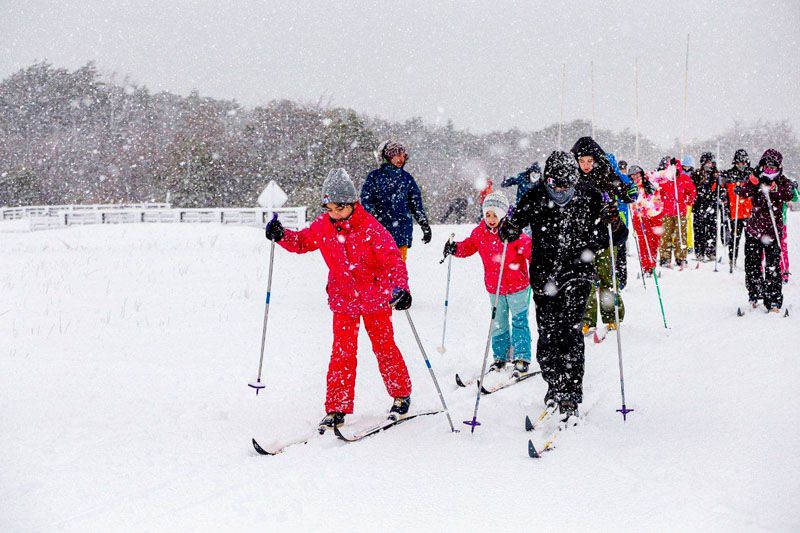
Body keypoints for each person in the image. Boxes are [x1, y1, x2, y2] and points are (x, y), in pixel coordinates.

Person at [265, 168, 414, 432]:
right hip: (343, 300)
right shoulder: (324, 226)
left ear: (350, 204)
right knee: (342, 354)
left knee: (384, 347)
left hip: (375, 300)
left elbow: (393, 261)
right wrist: (281, 235)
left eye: (336, 208)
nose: (332, 213)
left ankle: (401, 394)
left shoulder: (371, 229)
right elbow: (301, 242)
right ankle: (337, 407)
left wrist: (400, 288)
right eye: (328, 208)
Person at [498, 151, 628, 420]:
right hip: (545, 276)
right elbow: (511, 227)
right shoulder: (535, 196)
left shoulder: (589, 195)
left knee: (569, 333)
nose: (560, 190)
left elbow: (618, 236)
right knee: (548, 335)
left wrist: (612, 221)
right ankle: (553, 385)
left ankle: (570, 393)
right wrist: (508, 227)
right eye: (555, 184)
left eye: (566, 184)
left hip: (578, 271)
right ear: (547, 179)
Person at [443, 192, 533, 377]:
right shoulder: (480, 233)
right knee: (498, 323)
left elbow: (530, 250)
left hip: (518, 286)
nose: (491, 219)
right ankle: (500, 358)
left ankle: (521, 357)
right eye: (487, 215)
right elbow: (468, 246)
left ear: (503, 214)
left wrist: (539, 267)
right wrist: (455, 248)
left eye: (495, 215)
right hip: (495, 288)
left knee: (519, 321)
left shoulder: (512, 232)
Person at [570, 137, 634, 333]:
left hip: (606, 233)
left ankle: (612, 314)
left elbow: (628, 193)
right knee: (586, 278)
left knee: (607, 276)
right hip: (584, 235)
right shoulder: (573, 178)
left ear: (596, 160)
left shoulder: (606, 175)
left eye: (590, 161)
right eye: (582, 161)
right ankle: (587, 318)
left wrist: (625, 188)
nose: (586, 166)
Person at [735, 149, 794, 312]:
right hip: (754, 229)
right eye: (766, 167)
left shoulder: (782, 181)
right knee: (752, 264)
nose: (769, 171)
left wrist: (776, 190)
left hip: (773, 231)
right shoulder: (757, 177)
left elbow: (789, 194)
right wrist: (749, 185)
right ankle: (755, 293)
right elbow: (744, 192)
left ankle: (773, 299)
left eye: (772, 168)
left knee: (773, 266)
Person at [360, 140, 432, 261]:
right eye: (397, 155)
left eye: (403, 155)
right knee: (378, 269)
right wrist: (374, 217)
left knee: (398, 269)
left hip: (401, 233)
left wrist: (424, 223)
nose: (401, 159)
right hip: (379, 233)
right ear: (388, 157)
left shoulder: (407, 179)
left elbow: (416, 204)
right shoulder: (375, 177)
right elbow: (366, 200)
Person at [654, 157, 696, 268]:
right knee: (665, 235)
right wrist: (660, 202)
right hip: (666, 212)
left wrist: (687, 201)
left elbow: (691, 191)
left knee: (681, 235)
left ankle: (681, 257)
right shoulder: (665, 179)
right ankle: (665, 258)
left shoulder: (684, 178)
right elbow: (657, 191)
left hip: (680, 211)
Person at [628, 165, 663, 275]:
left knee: (654, 242)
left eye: (637, 174)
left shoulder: (650, 180)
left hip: (655, 215)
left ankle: (652, 263)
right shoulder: (630, 186)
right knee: (643, 242)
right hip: (639, 217)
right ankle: (646, 266)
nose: (636, 177)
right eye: (633, 176)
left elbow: (664, 176)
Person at [722, 149, 754, 269]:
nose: (741, 165)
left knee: (751, 241)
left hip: (750, 213)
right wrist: (720, 183)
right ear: (735, 162)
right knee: (734, 239)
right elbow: (719, 188)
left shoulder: (752, 174)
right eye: (739, 162)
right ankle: (732, 260)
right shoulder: (729, 174)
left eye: (744, 162)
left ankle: (750, 262)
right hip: (735, 213)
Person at [691, 152, 721, 262]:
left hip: (712, 206)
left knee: (712, 229)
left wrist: (720, 193)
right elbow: (692, 188)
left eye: (711, 163)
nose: (709, 165)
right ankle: (699, 252)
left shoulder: (716, 175)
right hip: (699, 206)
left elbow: (721, 189)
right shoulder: (696, 174)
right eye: (707, 162)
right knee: (699, 230)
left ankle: (711, 251)